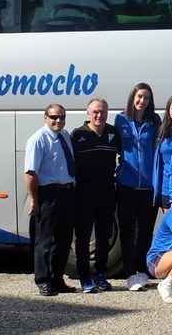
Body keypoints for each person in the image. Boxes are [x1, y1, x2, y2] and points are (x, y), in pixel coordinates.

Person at [24, 104, 77, 296]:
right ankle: (42, 280)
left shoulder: (65, 136)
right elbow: (30, 173)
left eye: (62, 117)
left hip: (67, 193)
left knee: (63, 241)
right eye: (54, 117)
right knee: (44, 241)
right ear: (45, 118)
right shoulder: (38, 140)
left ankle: (57, 278)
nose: (58, 121)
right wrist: (33, 200)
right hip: (48, 194)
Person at [114, 82, 161, 291]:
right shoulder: (121, 119)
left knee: (145, 230)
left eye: (147, 98)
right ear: (133, 97)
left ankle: (141, 270)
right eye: (140, 96)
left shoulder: (154, 121)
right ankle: (130, 273)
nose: (143, 101)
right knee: (127, 230)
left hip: (148, 185)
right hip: (127, 183)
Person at [71, 98, 120, 293]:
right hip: (84, 192)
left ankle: (100, 274)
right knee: (82, 238)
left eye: (103, 112)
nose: (99, 115)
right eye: (95, 112)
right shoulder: (77, 135)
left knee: (104, 236)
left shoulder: (113, 133)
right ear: (88, 113)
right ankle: (84, 277)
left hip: (107, 191)